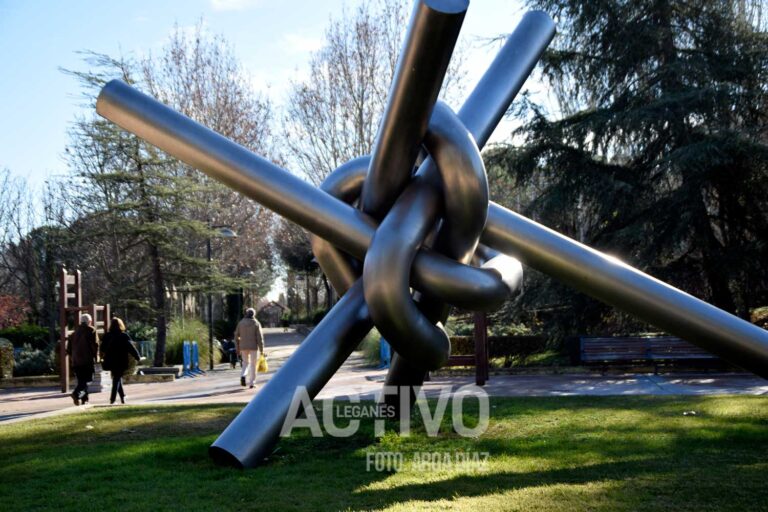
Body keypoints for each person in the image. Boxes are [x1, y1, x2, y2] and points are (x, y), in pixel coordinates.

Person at [100, 317, 140, 404]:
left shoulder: (107, 336)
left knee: (117, 378)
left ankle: (122, 397)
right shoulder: (123, 336)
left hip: (110, 361)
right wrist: (137, 356)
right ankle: (112, 399)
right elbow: (131, 348)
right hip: (121, 361)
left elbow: (102, 348)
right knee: (117, 379)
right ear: (121, 325)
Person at [66, 313, 99, 406]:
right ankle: (76, 394)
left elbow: (68, 349)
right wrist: (97, 357)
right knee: (88, 380)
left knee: (82, 381)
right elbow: (95, 345)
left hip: (76, 362)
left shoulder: (73, 333)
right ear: (89, 321)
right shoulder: (91, 330)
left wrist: (73, 357)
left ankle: (84, 399)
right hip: (87, 360)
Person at [234, 308, 264, 389]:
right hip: (253, 347)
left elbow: (236, 336)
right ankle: (252, 383)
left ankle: (243, 375)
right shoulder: (256, 323)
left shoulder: (241, 323)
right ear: (253, 314)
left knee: (245, 363)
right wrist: (262, 350)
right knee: (253, 365)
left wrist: (237, 348)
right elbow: (259, 338)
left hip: (243, 346)